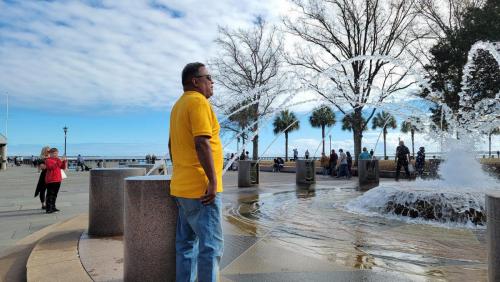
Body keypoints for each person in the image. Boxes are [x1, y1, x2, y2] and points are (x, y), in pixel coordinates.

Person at [168, 62, 223, 282]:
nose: (212, 82)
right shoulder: (198, 102)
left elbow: (171, 145)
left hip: (182, 188)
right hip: (203, 191)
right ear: (195, 81)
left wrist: (182, 171)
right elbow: (202, 142)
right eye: (208, 77)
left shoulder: (178, 106)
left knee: (186, 246)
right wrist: (211, 180)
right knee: (211, 247)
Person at [44, 148, 67, 214]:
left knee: (55, 195)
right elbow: (51, 167)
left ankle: (53, 207)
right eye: (54, 153)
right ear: (50, 154)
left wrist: (64, 161)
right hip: (51, 179)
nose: (56, 155)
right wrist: (60, 160)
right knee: (50, 194)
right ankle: (48, 208)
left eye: (56, 153)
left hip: (58, 179)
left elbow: (62, 167)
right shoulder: (48, 160)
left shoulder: (57, 159)